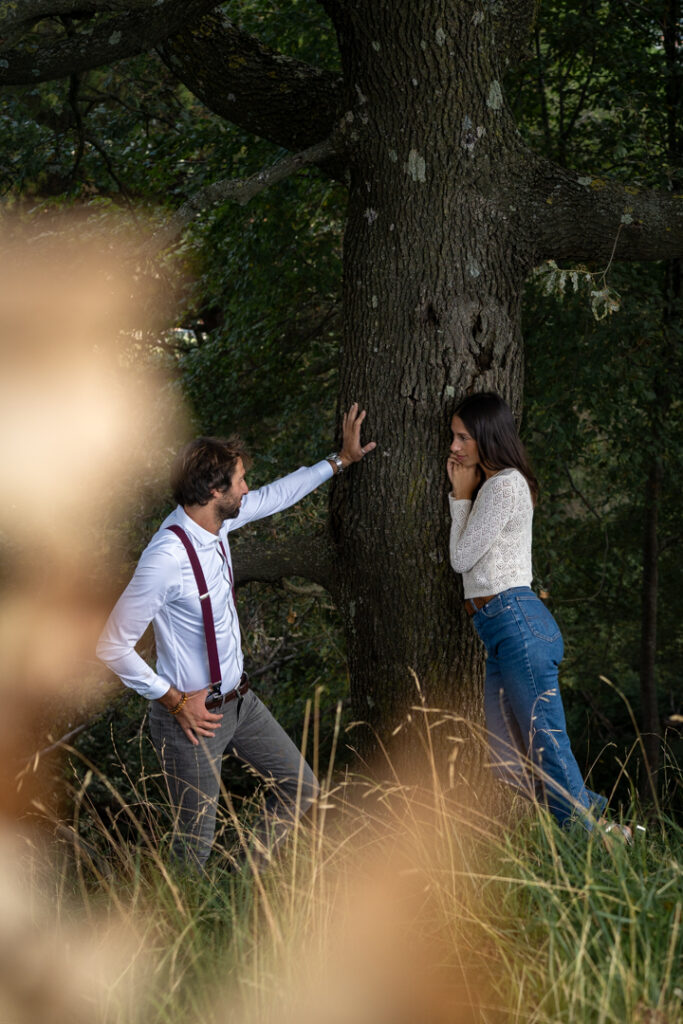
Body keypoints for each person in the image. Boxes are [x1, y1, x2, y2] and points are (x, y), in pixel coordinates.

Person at [98, 403, 376, 869]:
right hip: (191, 717)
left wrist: (341, 460)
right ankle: (190, 933)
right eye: (241, 480)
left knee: (301, 788)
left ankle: (243, 884)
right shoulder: (166, 557)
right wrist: (172, 699)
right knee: (194, 848)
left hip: (241, 702)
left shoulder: (220, 520)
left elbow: (278, 495)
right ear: (213, 491)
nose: (248, 488)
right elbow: (110, 645)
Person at [446, 391, 613, 834]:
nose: (454, 447)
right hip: (500, 630)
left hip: (517, 620)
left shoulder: (505, 485)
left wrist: (459, 497)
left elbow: (461, 559)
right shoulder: (494, 486)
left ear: (486, 436)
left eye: (463, 437)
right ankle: (605, 827)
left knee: (547, 744)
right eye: (453, 437)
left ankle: (595, 844)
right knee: (505, 762)